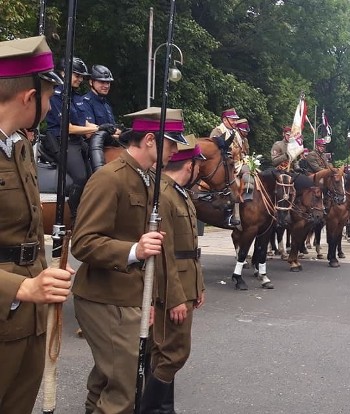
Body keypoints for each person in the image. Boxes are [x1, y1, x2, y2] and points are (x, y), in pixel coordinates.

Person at [71, 107, 186, 413]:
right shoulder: (110, 178)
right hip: (104, 298)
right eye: (171, 142)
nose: (175, 151)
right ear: (150, 139)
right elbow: (83, 243)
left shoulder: (147, 179)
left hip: (129, 299)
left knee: (105, 381)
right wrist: (134, 250)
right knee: (124, 391)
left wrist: (149, 300)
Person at [0, 35, 73, 414]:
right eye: (48, 98)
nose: (50, 106)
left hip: (27, 317)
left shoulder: (19, 147)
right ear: (28, 98)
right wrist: (23, 286)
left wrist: (42, 279)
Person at [139, 135, 206, 413]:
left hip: (186, 283)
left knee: (167, 351)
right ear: (189, 165)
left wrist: (198, 286)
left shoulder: (179, 193)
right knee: (172, 353)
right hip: (172, 289)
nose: (199, 169)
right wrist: (176, 297)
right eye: (198, 164)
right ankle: (148, 409)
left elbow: (190, 248)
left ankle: (165, 409)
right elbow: (165, 252)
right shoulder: (163, 194)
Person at [42, 56, 98, 187]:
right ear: (64, 73)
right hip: (62, 141)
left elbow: (84, 123)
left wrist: (106, 128)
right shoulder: (56, 95)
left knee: (94, 177)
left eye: (81, 76)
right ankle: (73, 208)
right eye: (77, 75)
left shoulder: (75, 96)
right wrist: (97, 129)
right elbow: (69, 128)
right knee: (80, 177)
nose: (80, 79)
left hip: (77, 141)